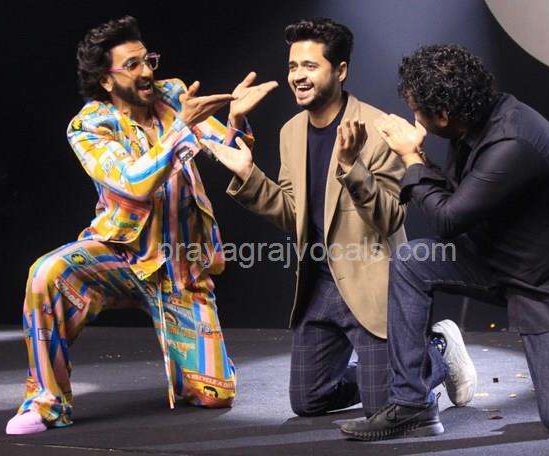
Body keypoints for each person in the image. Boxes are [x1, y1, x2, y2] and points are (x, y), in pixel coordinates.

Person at [340, 44, 549, 440]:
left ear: (443, 114)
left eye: (418, 111)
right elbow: (459, 201)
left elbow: (449, 219)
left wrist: (411, 158)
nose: (414, 119)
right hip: (499, 255)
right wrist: (418, 158)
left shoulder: (512, 140)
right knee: (410, 260)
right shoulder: (470, 126)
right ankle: (412, 403)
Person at [5, 15, 277, 435]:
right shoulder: (89, 126)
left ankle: (193, 365)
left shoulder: (174, 96)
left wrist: (237, 120)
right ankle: (46, 402)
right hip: (119, 256)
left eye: (148, 59)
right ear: (106, 80)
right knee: (46, 273)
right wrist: (181, 128)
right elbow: (134, 183)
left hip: (180, 266)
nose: (147, 71)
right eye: (132, 64)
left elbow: (228, 150)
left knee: (214, 395)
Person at [204, 18, 476, 419]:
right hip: (319, 286)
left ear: (340, 70)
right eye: (293, 66)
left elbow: (390, 219)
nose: (298, 76)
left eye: (310, 66)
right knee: (309, 400)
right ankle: (393, 371)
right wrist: (249, 175)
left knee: (384, 406)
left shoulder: (379, 130)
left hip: (371, 284)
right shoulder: (290, 132)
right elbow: (293, 215)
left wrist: (352, 168)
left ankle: (437, 350)